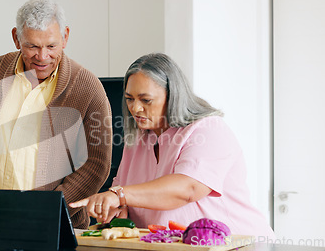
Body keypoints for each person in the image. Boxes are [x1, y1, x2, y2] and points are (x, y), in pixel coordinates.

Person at [0, 0, 112, 229]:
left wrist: (50, 207)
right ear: (16, 38)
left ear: (65, 37)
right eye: (32, 46)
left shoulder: (87, 87)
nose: (42, 57)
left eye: (51, 46)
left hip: (52, 226)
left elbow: (96, 162)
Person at [70, 53, 275, 238]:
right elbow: (126, 196)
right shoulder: (139, 139)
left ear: (173, 96)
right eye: (129, 99)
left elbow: (188, 188)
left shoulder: (209, 129)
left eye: (146, 100)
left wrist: (119, 195)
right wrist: (114, 209)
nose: (136, 108)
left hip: (239, 244)